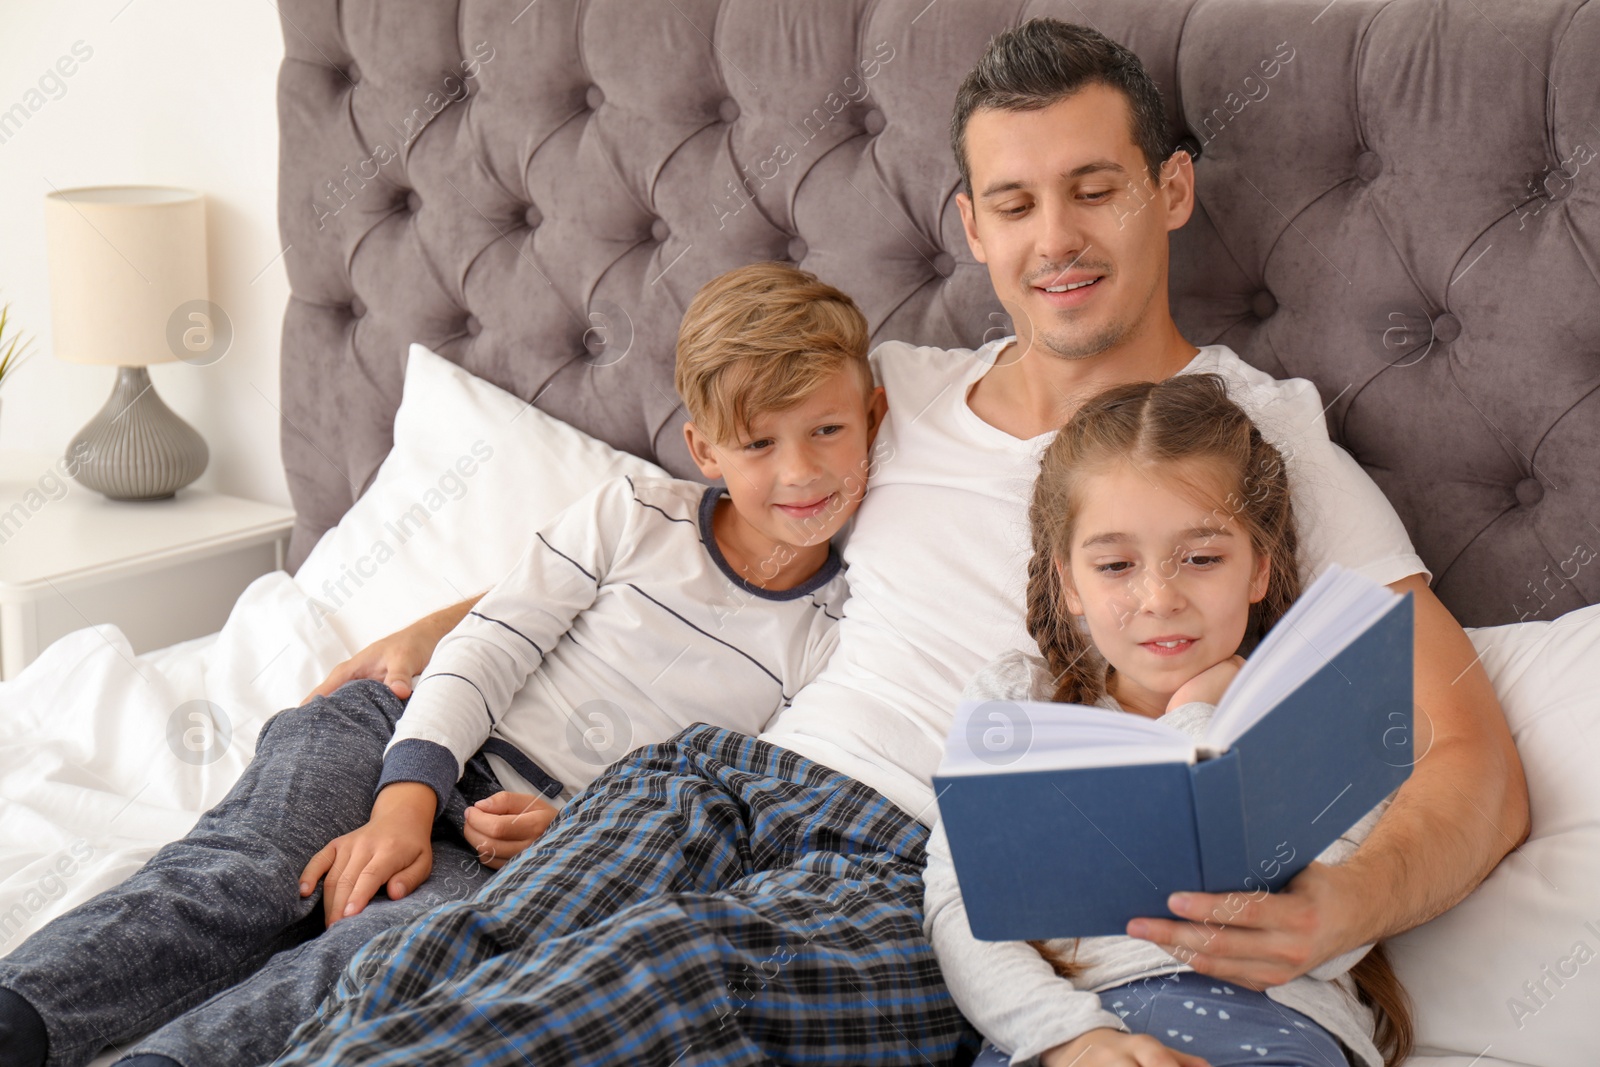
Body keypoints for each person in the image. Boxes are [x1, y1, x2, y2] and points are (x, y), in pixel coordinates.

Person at [263, 19, 1525, 1067]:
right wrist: (451, 618)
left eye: (1095, 188)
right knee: (447, 948)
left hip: (916, 859)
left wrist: (1340, 908)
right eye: (1016, 203)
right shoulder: (894, 392)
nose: (1056, 240)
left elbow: (1467, 750)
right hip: (719, 778)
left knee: (656, 972)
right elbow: (706, 516)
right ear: (970, 225)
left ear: (1170, 189)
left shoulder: (1259, 443)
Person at [0, 261, 886, 1067]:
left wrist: (576, 833)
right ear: (706, 451)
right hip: (404, 731)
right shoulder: (632, 514)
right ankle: (23, 1010)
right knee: (241, 872)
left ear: (874, 417)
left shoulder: (834, 631)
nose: (800, 471)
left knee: (375, 955)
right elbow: (492, 640)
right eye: (760, 443)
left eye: (827, 429)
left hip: (521, 843)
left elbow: (718, 795)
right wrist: (402, 803)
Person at [924, 373, 1412, 1067]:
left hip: (1272, 1025)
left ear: (1257, 569)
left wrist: (1198, 715)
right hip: (1065, 1031)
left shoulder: (1328, 715)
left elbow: (1317, 921)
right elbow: (959, 908)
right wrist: (1075, 1039)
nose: (1159, 597)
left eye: (1203, 558)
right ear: (1069, 583)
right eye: (1117, 564)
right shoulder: (1016, 701)